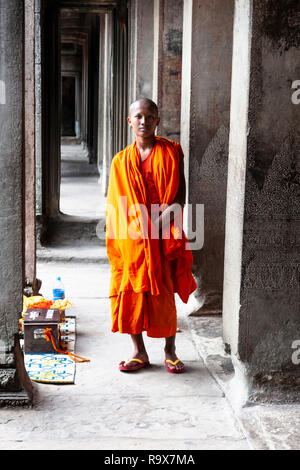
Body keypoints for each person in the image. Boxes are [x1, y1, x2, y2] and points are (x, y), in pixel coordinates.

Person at [106, 98, 196, 373]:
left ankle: (170, 350)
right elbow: (115, 205)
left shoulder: (171, 152)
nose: (144, 121)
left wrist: (155, 224)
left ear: (158, 121)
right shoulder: (120, 161)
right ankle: (139, 351)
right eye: (138, 116)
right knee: (132, 289)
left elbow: (180, 197)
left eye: (150, 116)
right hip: (132, 237)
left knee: (164, 291)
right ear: (129, 121)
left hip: (164, 231)